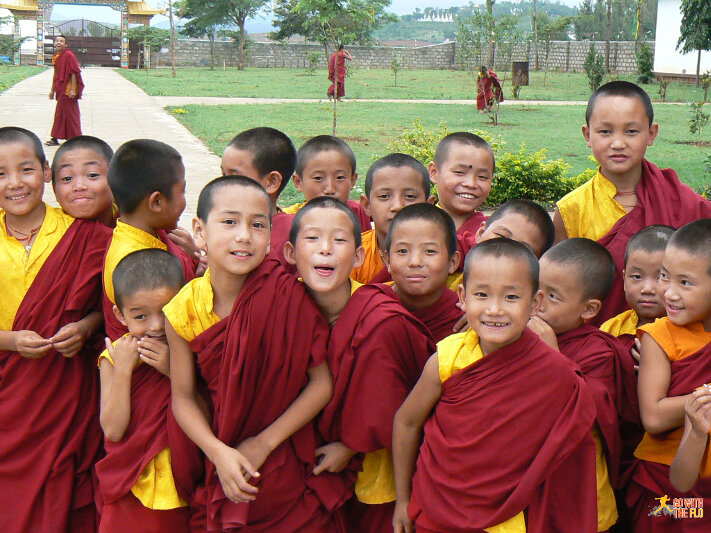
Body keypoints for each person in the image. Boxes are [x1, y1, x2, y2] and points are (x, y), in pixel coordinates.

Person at [166, 176, 341, 532]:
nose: (244, 235)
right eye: (229, 222)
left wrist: (264, 442)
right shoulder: (183, 309)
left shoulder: (287, 293)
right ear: (199, 230)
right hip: (223, 452)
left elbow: (320, 385)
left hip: (284, 453)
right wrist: (218, 453)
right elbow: (182, 398)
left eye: (257, 224)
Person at [392, 238, 599, 533]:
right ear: (462, 297)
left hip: (505, 516)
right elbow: (406, 422)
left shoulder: (554, 372)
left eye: (512, 297)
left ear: (535, 303)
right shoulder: (448, 357)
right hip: (437, 506)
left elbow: (569, 457)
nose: (495, 309)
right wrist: (402, 498)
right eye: (482, 294)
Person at [284, 197, 435, 533]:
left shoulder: (381, 320)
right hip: (299, 464)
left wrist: (350, 447)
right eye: (312, 239)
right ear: (290, 253)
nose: (325, 249)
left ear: (358, 256)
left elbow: (400, 406)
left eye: (339, 240)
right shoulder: (281, 309)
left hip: (375, 475)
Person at [0, 126, 111, 532]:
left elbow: (112, 308)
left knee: (60, 494)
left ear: (45, 172)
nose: (15, 184)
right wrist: (9, 341)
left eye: (25, 169)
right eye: (0, 174)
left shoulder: (85, 233)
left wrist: (85, 327)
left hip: (65, 393)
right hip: (8, 398)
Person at [553, 81, 711, 325]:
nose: (618, 143)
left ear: (651, 134)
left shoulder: (679, 199)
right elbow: (556, 288)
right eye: (605, 132)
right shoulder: (571, 210)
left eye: (631, 131)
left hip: (675, 338)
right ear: (587, 135)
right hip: (595, 344)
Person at [534, 238, 642, 532]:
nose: (536, 303)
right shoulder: (517, 333)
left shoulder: (598, 351)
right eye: (534, 289)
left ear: (589, 309)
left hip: (580, 483)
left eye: (552, 297)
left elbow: (587, 411)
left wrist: (552, 356)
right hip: (528, 479)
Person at [96, 249, 201, 533]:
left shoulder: (195, 350)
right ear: (120, 315)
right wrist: (124, 370)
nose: (155, 326)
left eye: (166, 311)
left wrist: (174, 369)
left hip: (179, 483)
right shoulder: (113, 358)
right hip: (130, 487)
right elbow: (114, 431)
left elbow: (210, 412)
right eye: (140, 316)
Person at [629, 219, 711, 532]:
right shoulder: (659, 336)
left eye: (685, 283)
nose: (670, 293)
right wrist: (704, 395)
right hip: (666, 478)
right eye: (666, 277)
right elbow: (653, 416)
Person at [103, 139, 197, 340]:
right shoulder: (133, 259)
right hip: (151, 360)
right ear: (156, 202)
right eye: (182, 191)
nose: (184, 200)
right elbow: (159, 326)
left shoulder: (151, 232)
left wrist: (193, 257)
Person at [382, 203, 463, 343]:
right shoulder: (371, 306)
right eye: (402, 251)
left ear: (452, 262)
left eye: (430, 251)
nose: (415, 262)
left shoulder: (464, 319)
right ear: (388, 261)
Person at [350, 153, 434, 285]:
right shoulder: (353, 254)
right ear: (367, 205)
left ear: (428, 206)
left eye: (410, 196)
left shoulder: (437, 255)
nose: (397, 206)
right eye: (384, 196)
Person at [220, 127, 298, 266]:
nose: (223, 185)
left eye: (236, 177)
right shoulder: (220, 222)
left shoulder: (293, 233)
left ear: (271, 182)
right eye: (224, 175)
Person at [446, 198, 556, 290]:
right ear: (480, 233)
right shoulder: (443, 277)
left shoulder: (533, 308)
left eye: (522, 249)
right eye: (501, 237)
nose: (506, 251)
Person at [428, 132, 494, 284]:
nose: (471, 184)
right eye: (459, 172)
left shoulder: (491, 230)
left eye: (483, 177)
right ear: (434, 172)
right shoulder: (415, 223)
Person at [601, 225, 674, 355]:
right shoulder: (611, 329)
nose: (647, 289)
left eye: (661, 277)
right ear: (624, 278)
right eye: (637, 276)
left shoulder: (691, 333)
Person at [283, 135, 370, 230]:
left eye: (340, 178)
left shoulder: (360, 213)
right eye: (318, 178)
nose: (330, 189)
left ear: (353, 180)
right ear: (298, 182)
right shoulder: (287, 222)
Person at [51, 134, 115, 226]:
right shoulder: (48, 233)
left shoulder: (134, 224)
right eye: (67, 178)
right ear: (54, 189)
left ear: (114, 181)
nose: (79, 186)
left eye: (92, 175)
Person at [47, 34, 84, 146]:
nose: (59, 43)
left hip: (68, 89)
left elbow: (73, 72)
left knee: (71, 113)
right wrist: (52, 90)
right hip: (60, 88)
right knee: (61, 113)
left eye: (61, 41)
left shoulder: (68, 55)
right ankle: (61, 138)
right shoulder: (57, 56)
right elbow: (56, 74)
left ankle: (74, 138)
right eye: (57, 41)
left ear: (65, 44)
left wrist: (73, 89)